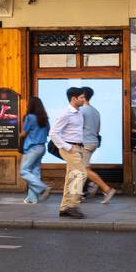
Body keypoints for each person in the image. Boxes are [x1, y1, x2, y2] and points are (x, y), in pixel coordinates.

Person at [49, 86, 90, 219]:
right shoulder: (65, 113)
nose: (84, 99)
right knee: (81, 174)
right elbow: (53, 133)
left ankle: (64, 208)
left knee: (71, 177)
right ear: (74, 99)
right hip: (70, 148)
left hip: (78, 148)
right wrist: (67, 147)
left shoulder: (78, 113)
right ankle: (72, 206)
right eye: (82, 97)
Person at [78, 87, 117, 204]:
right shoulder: (95, 111)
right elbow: (98, 129)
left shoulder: (81, 111)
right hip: (93, 142)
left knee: (83, 169)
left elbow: (77, 128)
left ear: (83, 96)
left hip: (85, 143)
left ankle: (106, 189)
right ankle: (83, 191)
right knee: (83, 168)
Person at [19, 96, 51, 204]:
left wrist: (20, 134)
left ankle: (42, 188)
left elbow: (24, 133)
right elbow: (48, 132)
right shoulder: (45, 119)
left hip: (32, 148)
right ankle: (32, 198)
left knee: (23, 171)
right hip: (42, 147)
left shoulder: (30, 117)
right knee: (35, 172)